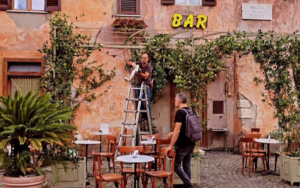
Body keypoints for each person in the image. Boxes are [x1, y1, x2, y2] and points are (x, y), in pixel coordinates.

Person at [164, 93, 195, 188]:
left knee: (176, 166)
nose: (174, 102)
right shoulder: (191, 111)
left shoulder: (180, 112)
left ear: (178, 101)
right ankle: (188, 186)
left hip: (182, 144)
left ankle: (190, 186)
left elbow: (177, 130)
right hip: (191, 142)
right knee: (186, 165)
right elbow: (186, 129)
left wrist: (170, 146)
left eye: (175, 99)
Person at [127, 52, 152, 122]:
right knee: (139, 100)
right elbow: (129, 62)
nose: (143, 59)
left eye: (145, 58)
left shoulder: (148, 67)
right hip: (139, 85)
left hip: (146, 86)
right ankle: (144, 116)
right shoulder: (139, 64)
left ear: (147, 59)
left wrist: (138, 72)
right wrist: (133, 64)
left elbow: (145, 76)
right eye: (142, 58)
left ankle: (148, 117)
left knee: (146, 101)